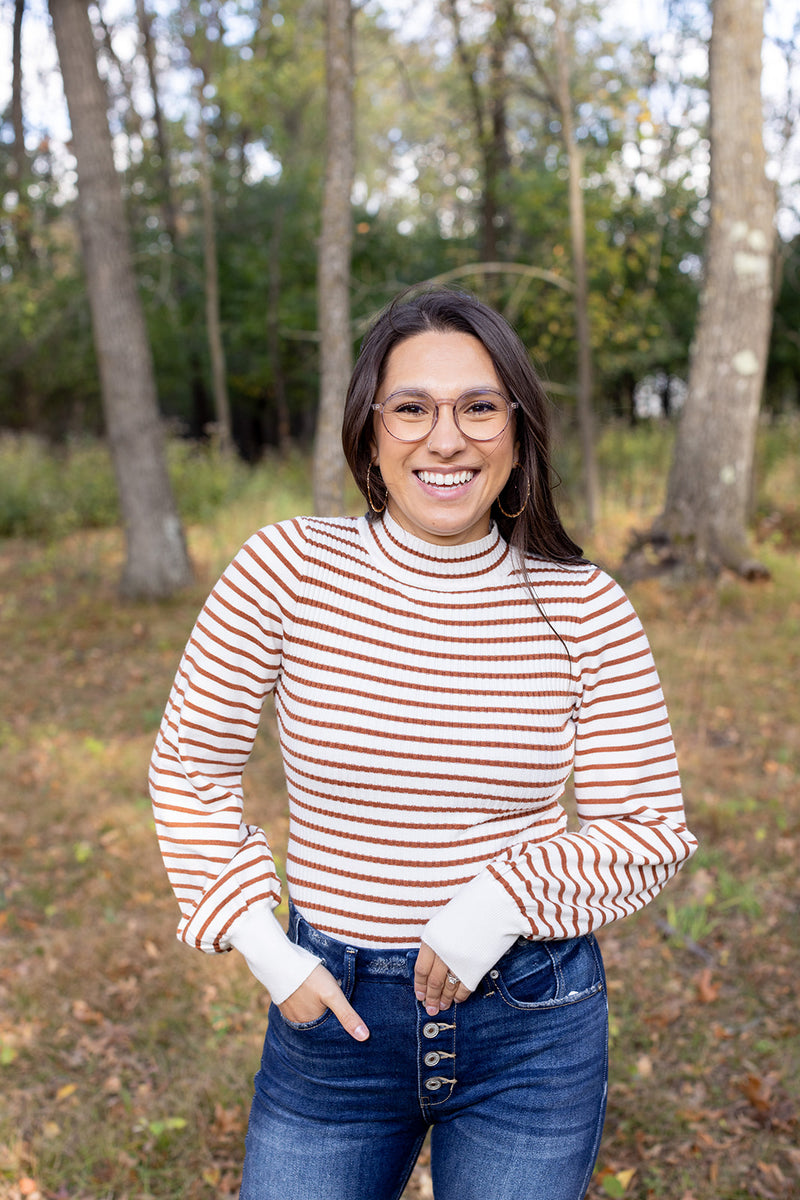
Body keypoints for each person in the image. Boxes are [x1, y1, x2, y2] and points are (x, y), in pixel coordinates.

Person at [149, 289, 697, 1200]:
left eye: (479, 407)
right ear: (369, 431)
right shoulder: (285, 570)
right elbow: (190, 768)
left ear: (517, 431)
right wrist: (266, 949)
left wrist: (499, 900)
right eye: (412, 408)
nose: (447, 440)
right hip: (332, 1015)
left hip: (531, 1019)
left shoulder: (585, 608)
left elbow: (648, 827)